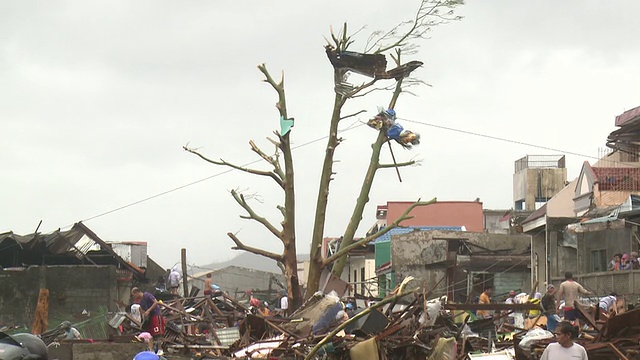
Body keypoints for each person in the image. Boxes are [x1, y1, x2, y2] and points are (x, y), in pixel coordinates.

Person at [131, 287, 165, 353]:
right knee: (150, 334)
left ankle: (160, 349)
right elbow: (141, 308)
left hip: (156, 315)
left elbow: (155, 302)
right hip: (149, 318)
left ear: (136, 292)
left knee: (158, 333)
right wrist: (143, 314)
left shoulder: (147, 295)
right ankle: (151, 349)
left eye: (133, 295)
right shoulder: (141, 301)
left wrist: (149, 311)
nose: (133, 297)